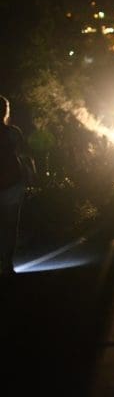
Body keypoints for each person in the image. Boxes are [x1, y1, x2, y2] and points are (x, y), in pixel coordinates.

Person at [0, 96, 34, 277]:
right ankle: (7, 264)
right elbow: (25, 156)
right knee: (10, 225)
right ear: (5, 111)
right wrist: (31, 176)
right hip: (12, 183)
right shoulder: (13, 132)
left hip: (11, 183)